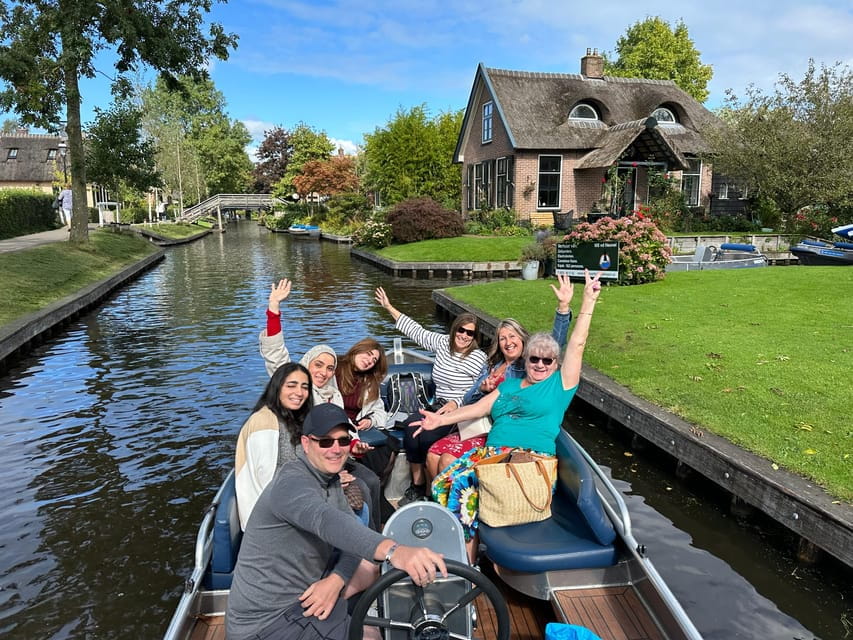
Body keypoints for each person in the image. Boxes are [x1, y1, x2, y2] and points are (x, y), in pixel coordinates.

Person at [414, 269, 602, 561]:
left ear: (555, 364)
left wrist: (586, 302)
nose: (540, 364)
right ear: (526, 360)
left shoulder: (559, 386)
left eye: (547, 360)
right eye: (535, 358)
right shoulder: (511, 384)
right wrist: (440, 419)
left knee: (462, 486)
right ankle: (461, 552)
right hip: (492, 455)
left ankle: (464, 562)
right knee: (441, 482)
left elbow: (576, 343)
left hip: (526, 460)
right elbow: (477, 408)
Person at [226, 403, 448, 640]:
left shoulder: (329, 480)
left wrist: (335, 580)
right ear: (306, 444)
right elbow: (326, 520)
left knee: (371, 568)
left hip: (306, 590)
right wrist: (395, 551)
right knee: (372, 636)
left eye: (343, 441)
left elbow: (350, 535)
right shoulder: (291, 483)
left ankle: (339, 609)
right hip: (268, 623)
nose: (336, 449)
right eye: (325, 442)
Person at [258, 278, 384, 529]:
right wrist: (274, 308)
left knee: (372, 480)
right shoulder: (295, 387)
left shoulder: (331, 392)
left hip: (333, 454)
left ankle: (373, 537)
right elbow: (276, 354)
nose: (324, 372)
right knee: (363, 488)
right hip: (306, 462)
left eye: (329, 368)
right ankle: (362, 542)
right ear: (307, 362)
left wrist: (356, 444)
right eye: (318, 365)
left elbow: (342, 423)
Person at [424, 274, 575, 480]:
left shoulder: (529, 366)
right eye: (503, 338)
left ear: (523, 340)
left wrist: (563, 309)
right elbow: (470, 401)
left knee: (447, 460)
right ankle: (433, 503)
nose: (508, 342)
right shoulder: (492, 366)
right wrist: (482, 389)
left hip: (494, 430)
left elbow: (555, 344)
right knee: (433, 454)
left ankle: (458, 504)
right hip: (477, 425)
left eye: (512, 336)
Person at [374, 286, 488, 505]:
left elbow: (478, 390)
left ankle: (427, 489)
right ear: (454, 330)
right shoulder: (443, 344)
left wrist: (458, 403)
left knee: (425, 435)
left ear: (475, 336)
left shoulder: (478, 358)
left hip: (459, 412)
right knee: (410, 425)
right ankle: (416, 484)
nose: (464, 336)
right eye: (461, 330)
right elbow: (416, 331)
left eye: (470, 333)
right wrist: (389, 307)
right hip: (438, 406)